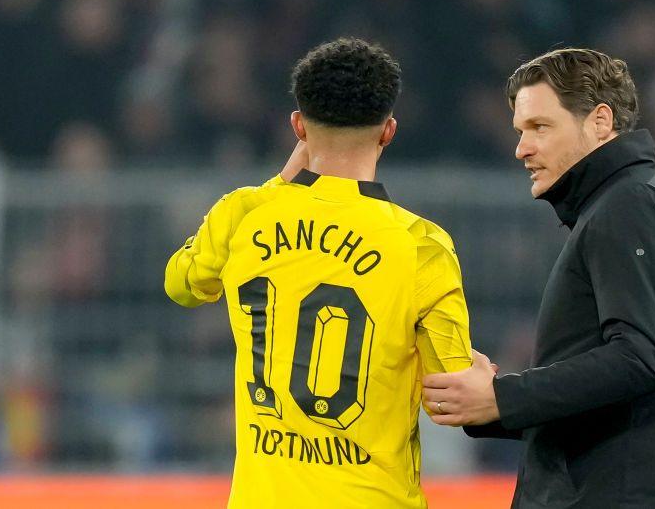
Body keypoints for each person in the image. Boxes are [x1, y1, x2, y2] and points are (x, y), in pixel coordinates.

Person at [164, 38, 472, 508]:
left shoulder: (246, 215)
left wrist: (277, 189)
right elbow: (450, 391)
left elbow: (182, 284)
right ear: (388, 131)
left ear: (297, 126)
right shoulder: (421, 245)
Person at [422, 48, 655, 507]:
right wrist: (491, 401)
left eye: (540, 127)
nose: (522, 148)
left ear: (600, 121)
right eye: (521, 131)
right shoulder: (620, 206)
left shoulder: (631, 205)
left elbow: (640, 358)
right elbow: (613, 388)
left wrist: (505, 397)